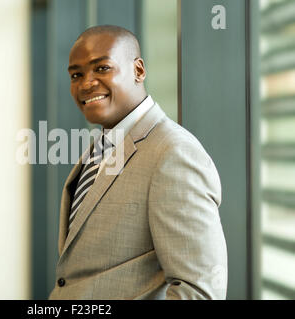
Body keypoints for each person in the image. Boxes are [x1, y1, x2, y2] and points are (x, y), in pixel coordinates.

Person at [48, 25, 228, 300]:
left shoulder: (173, 153)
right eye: (76, 74)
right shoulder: (103, 147)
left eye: (102, 68)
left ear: (138, 71)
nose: (86, 83)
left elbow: (200, 291)